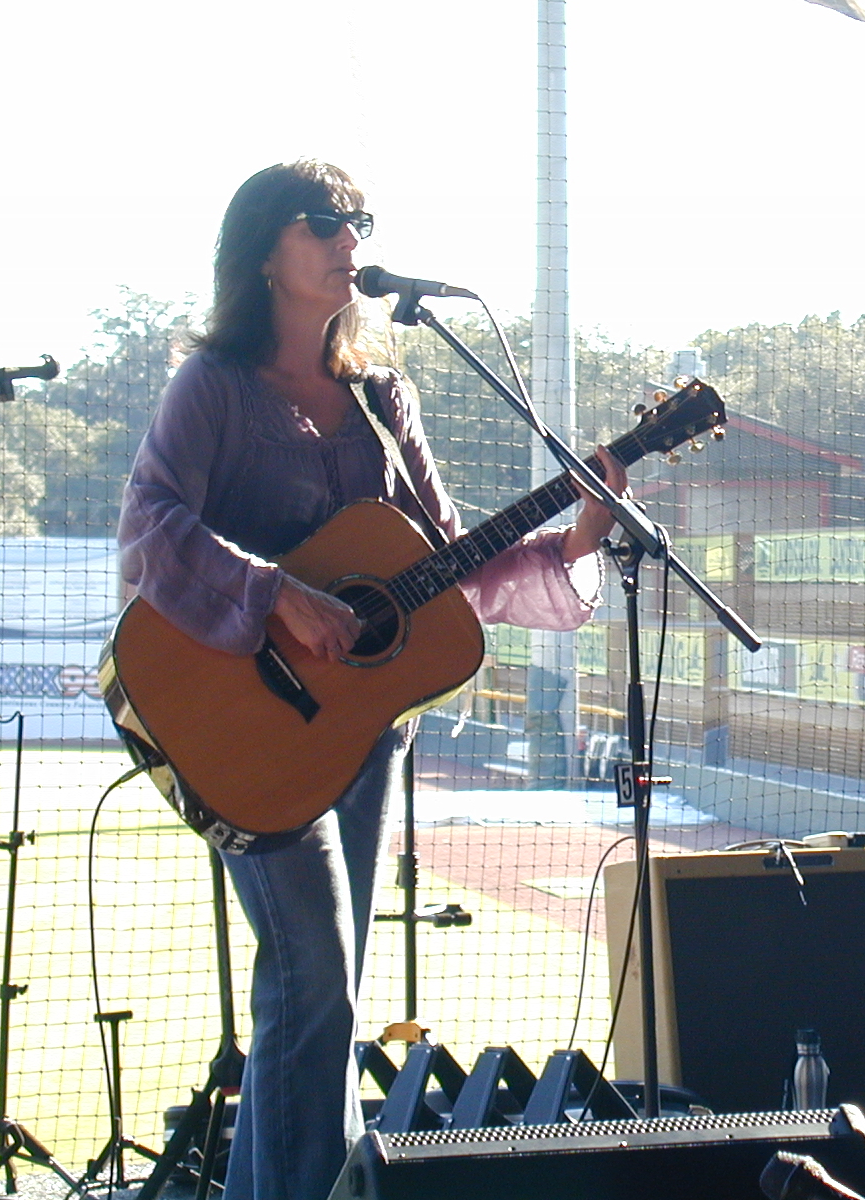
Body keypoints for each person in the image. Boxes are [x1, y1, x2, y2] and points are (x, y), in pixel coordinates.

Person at [117, 160, 625, 1200]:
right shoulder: (213, 386)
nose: (351, 240)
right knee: (313, 983)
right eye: (324, 222)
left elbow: (445, 561)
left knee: (324, 995)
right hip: (245, 725)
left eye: (359, 221)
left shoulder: (383, 397)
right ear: (265, 251)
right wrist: (272, 594)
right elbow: (151, 525)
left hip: (360, 729)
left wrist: (579, 535)